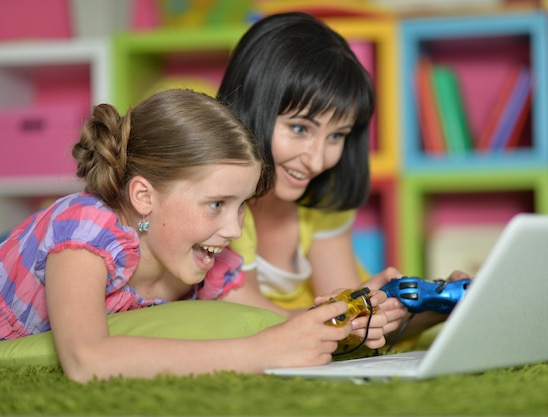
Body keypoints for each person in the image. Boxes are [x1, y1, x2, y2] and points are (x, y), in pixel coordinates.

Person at [0, 89, 383, 383]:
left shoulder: (205, 261)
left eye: (242, 205)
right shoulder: (85, 230)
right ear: (144, 197)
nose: (234, 230)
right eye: (217, 204)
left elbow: (280, 324)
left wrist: (354, 315)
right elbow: (86, 360)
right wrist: (253, 355)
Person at [217, 12, 469, 344]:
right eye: (300, 128)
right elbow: (246, 317)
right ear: (250, 106)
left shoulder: (323, 203)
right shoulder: (221, 207)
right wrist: (347, 315)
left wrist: (434, 309)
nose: (317, 160)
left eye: (337, 136)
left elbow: (354, 333)